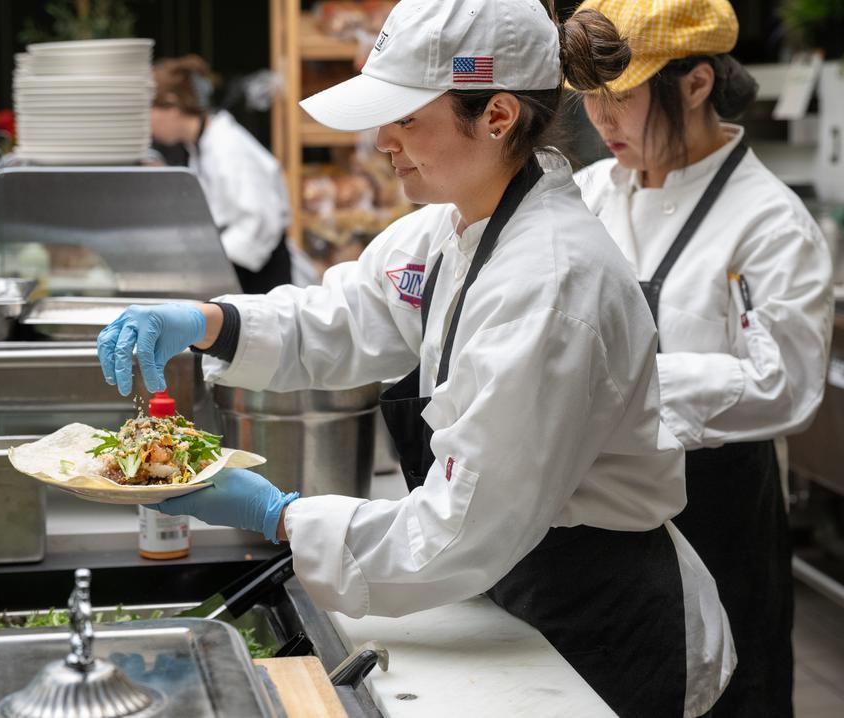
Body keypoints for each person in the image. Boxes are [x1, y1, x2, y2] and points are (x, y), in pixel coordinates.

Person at [99, 2, 736, 715]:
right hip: (512, 584)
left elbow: (461, 525)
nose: (381, 141)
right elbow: (346, 316)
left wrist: (279, 514)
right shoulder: (453, 225)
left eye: (405, 119)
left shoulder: (551, 284)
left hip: (597, 622)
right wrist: (208, 321)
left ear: (497, 116)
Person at [571, 0, 835, 715]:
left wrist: (613, 388)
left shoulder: (768, 222)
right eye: (592, 97)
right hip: (602, 521)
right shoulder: (589, 197)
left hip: (718, 516)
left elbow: (783, 384)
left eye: (622, 97)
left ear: (696, 83)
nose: (602, 122)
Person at [150, 55, 294, 293]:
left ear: (172, 106)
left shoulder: (227, 147)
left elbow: (259, 221)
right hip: (235, 265)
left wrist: (208, 263)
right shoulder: (199, 146)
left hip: (258, 277)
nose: (149, 123)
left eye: (150, 111)